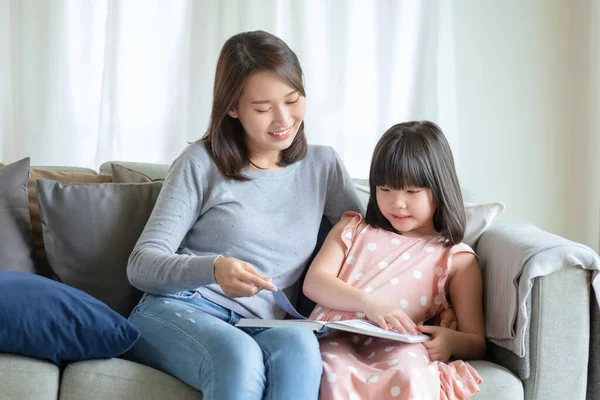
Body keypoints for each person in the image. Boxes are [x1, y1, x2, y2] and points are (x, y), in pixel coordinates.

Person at [124, 30, 365, 400]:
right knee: (237, 356)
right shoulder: (200, 163)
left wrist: (438, 305)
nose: (284, 119)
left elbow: (371, 249)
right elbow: (141, 265)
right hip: (181, 308)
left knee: (302, 349)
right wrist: (214, 268)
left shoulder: (324, 166)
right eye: (263, 108)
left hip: (265, 321)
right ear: (232, 107)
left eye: (292, 99)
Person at [302, 121, 486, 400]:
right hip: (334, 339)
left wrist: (449, 341)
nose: (396, 203)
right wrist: (368, 303)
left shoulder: (455, 258)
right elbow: (314, 283)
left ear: (440, 189)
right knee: (329, 370)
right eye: (385, 189)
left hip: (400, 347)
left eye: (411, 192)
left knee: (412, 372)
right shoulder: (353, 229)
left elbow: (476, 342)